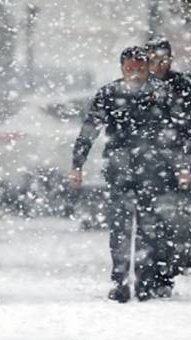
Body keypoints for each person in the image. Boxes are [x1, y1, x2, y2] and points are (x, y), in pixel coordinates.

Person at [69, 46, 174, 303]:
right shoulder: (109, 93)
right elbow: (90, 128)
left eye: (140, 69)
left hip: (152, 170)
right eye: (130, 70)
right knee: (120, 227)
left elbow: (174, 132)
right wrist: (77, 163)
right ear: (122, 69)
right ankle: (121, 281)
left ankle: (144, 280)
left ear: (147, 68)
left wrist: (177, 166)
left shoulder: (160, 93)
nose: (135, 75)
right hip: (121, 169)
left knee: (149, 228)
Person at [144, 37, 191, 290]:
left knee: (178, 217)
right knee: (148, 215)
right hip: (145, 162)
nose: (159, 65)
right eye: (153, 60)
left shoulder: (184, 84)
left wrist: (186, 135)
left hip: (177, 161)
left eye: (163, 60)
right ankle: (152, 268)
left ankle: (172, 266)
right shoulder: (139, 85)